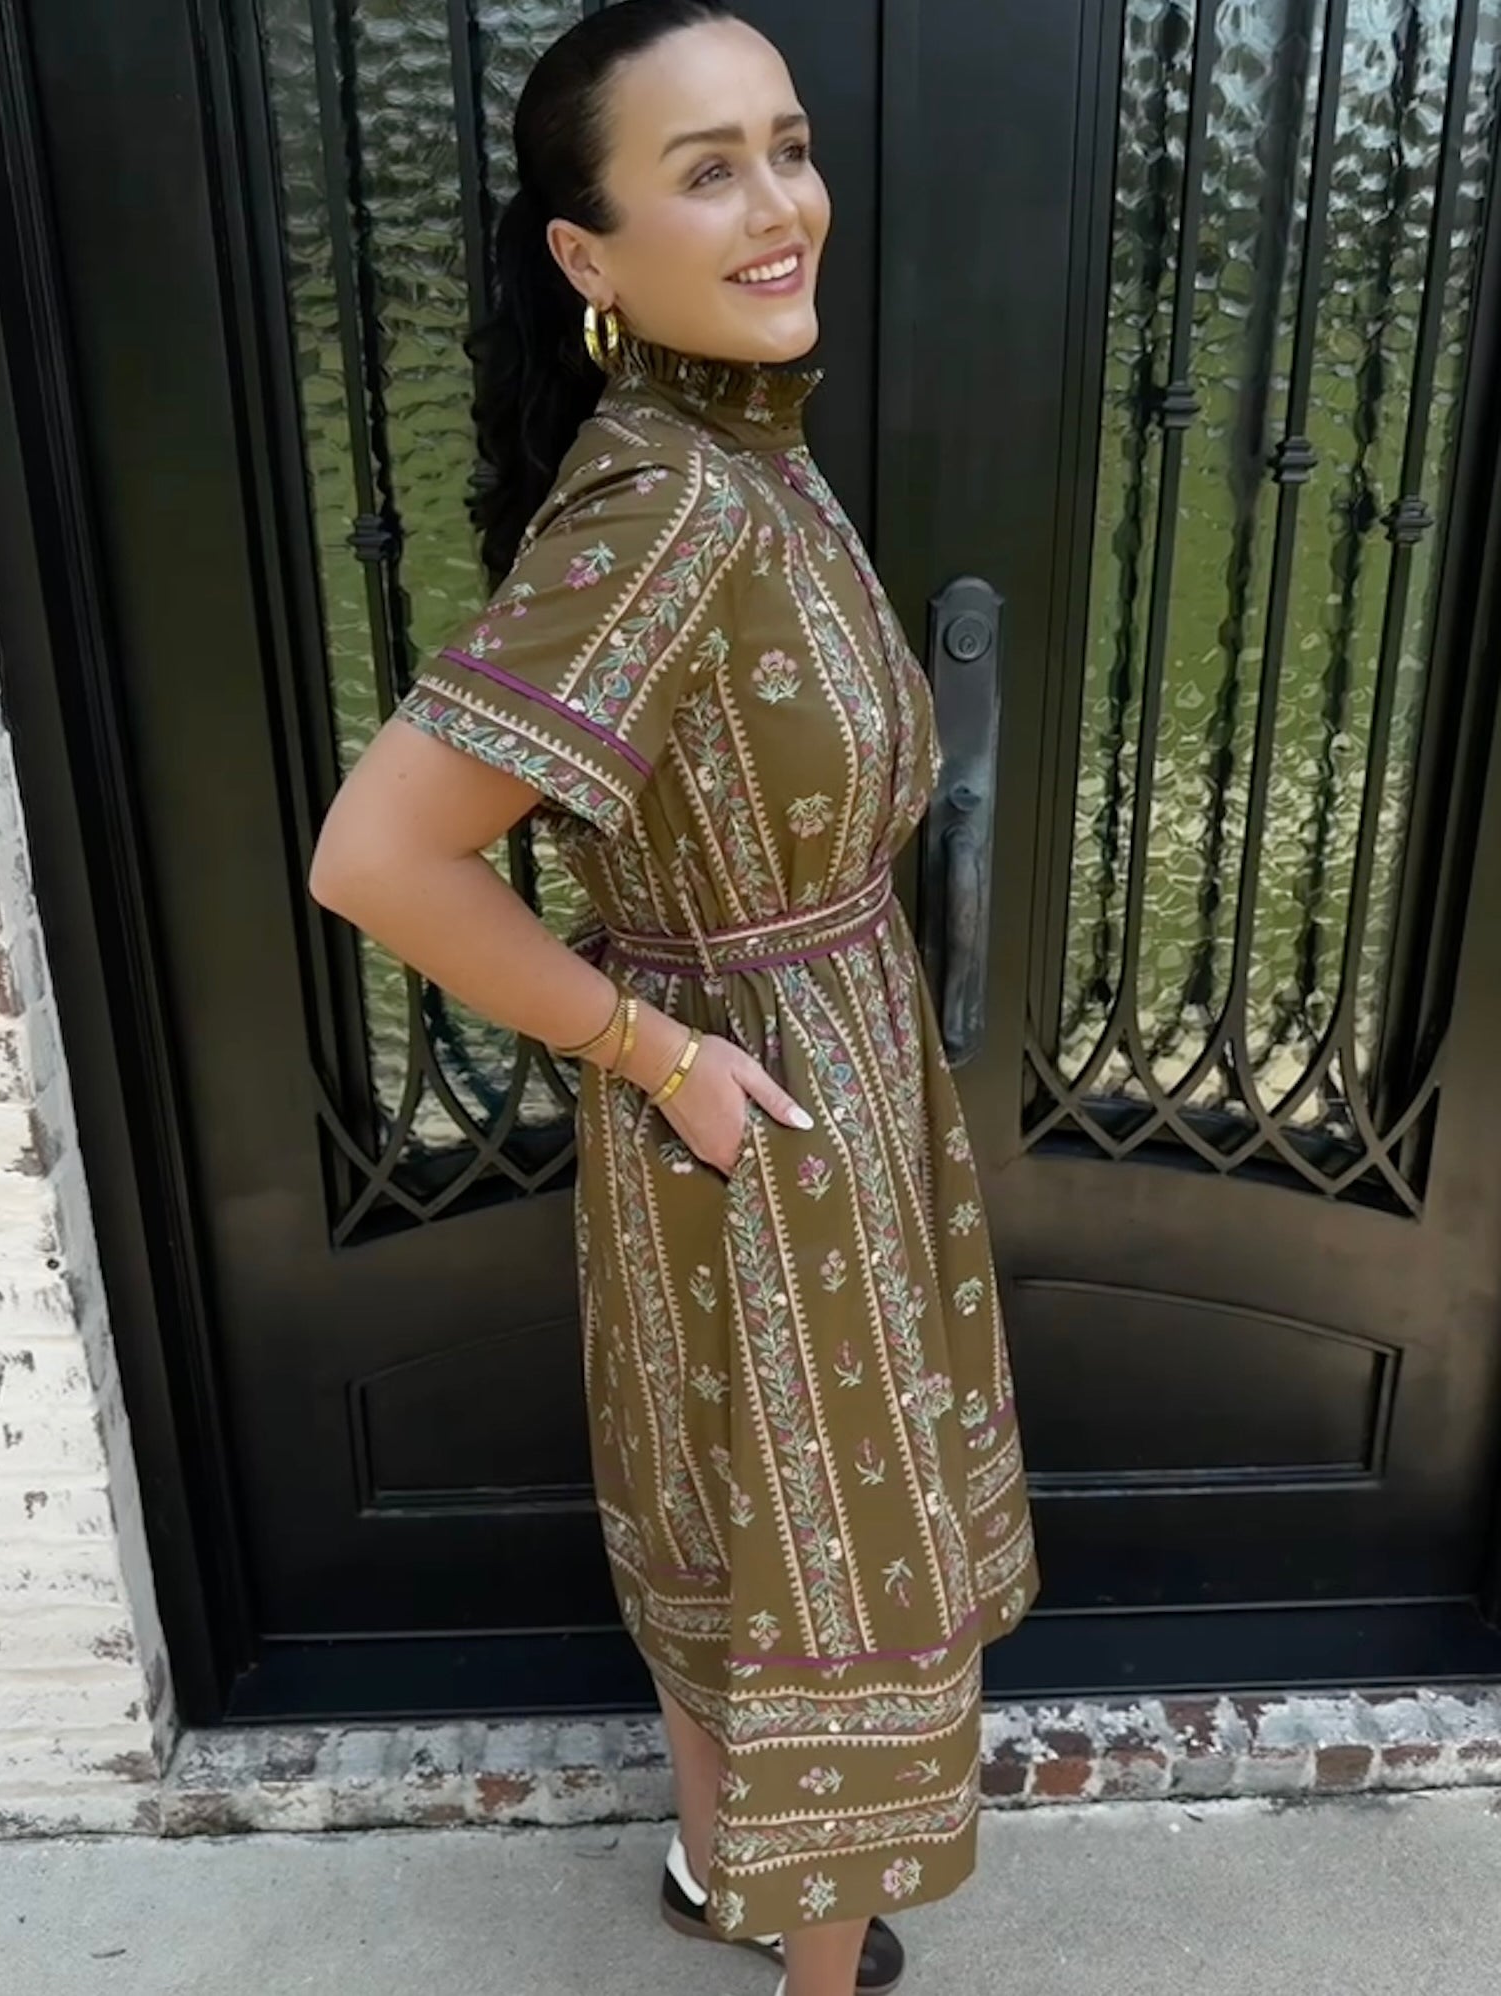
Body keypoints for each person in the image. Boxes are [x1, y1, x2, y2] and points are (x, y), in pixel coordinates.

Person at [309, 5, 1038, 1992]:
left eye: (787, 147)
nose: (782, 202)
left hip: (808, 1078)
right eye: (707, 170)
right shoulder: (674, 507)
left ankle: (722, 1872)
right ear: (589, 253)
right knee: (817, 1559)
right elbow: (377, 857)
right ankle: (814, 1963)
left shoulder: (741, 449)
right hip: (760, 1112)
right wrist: (657, 1049)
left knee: (730, 1520)